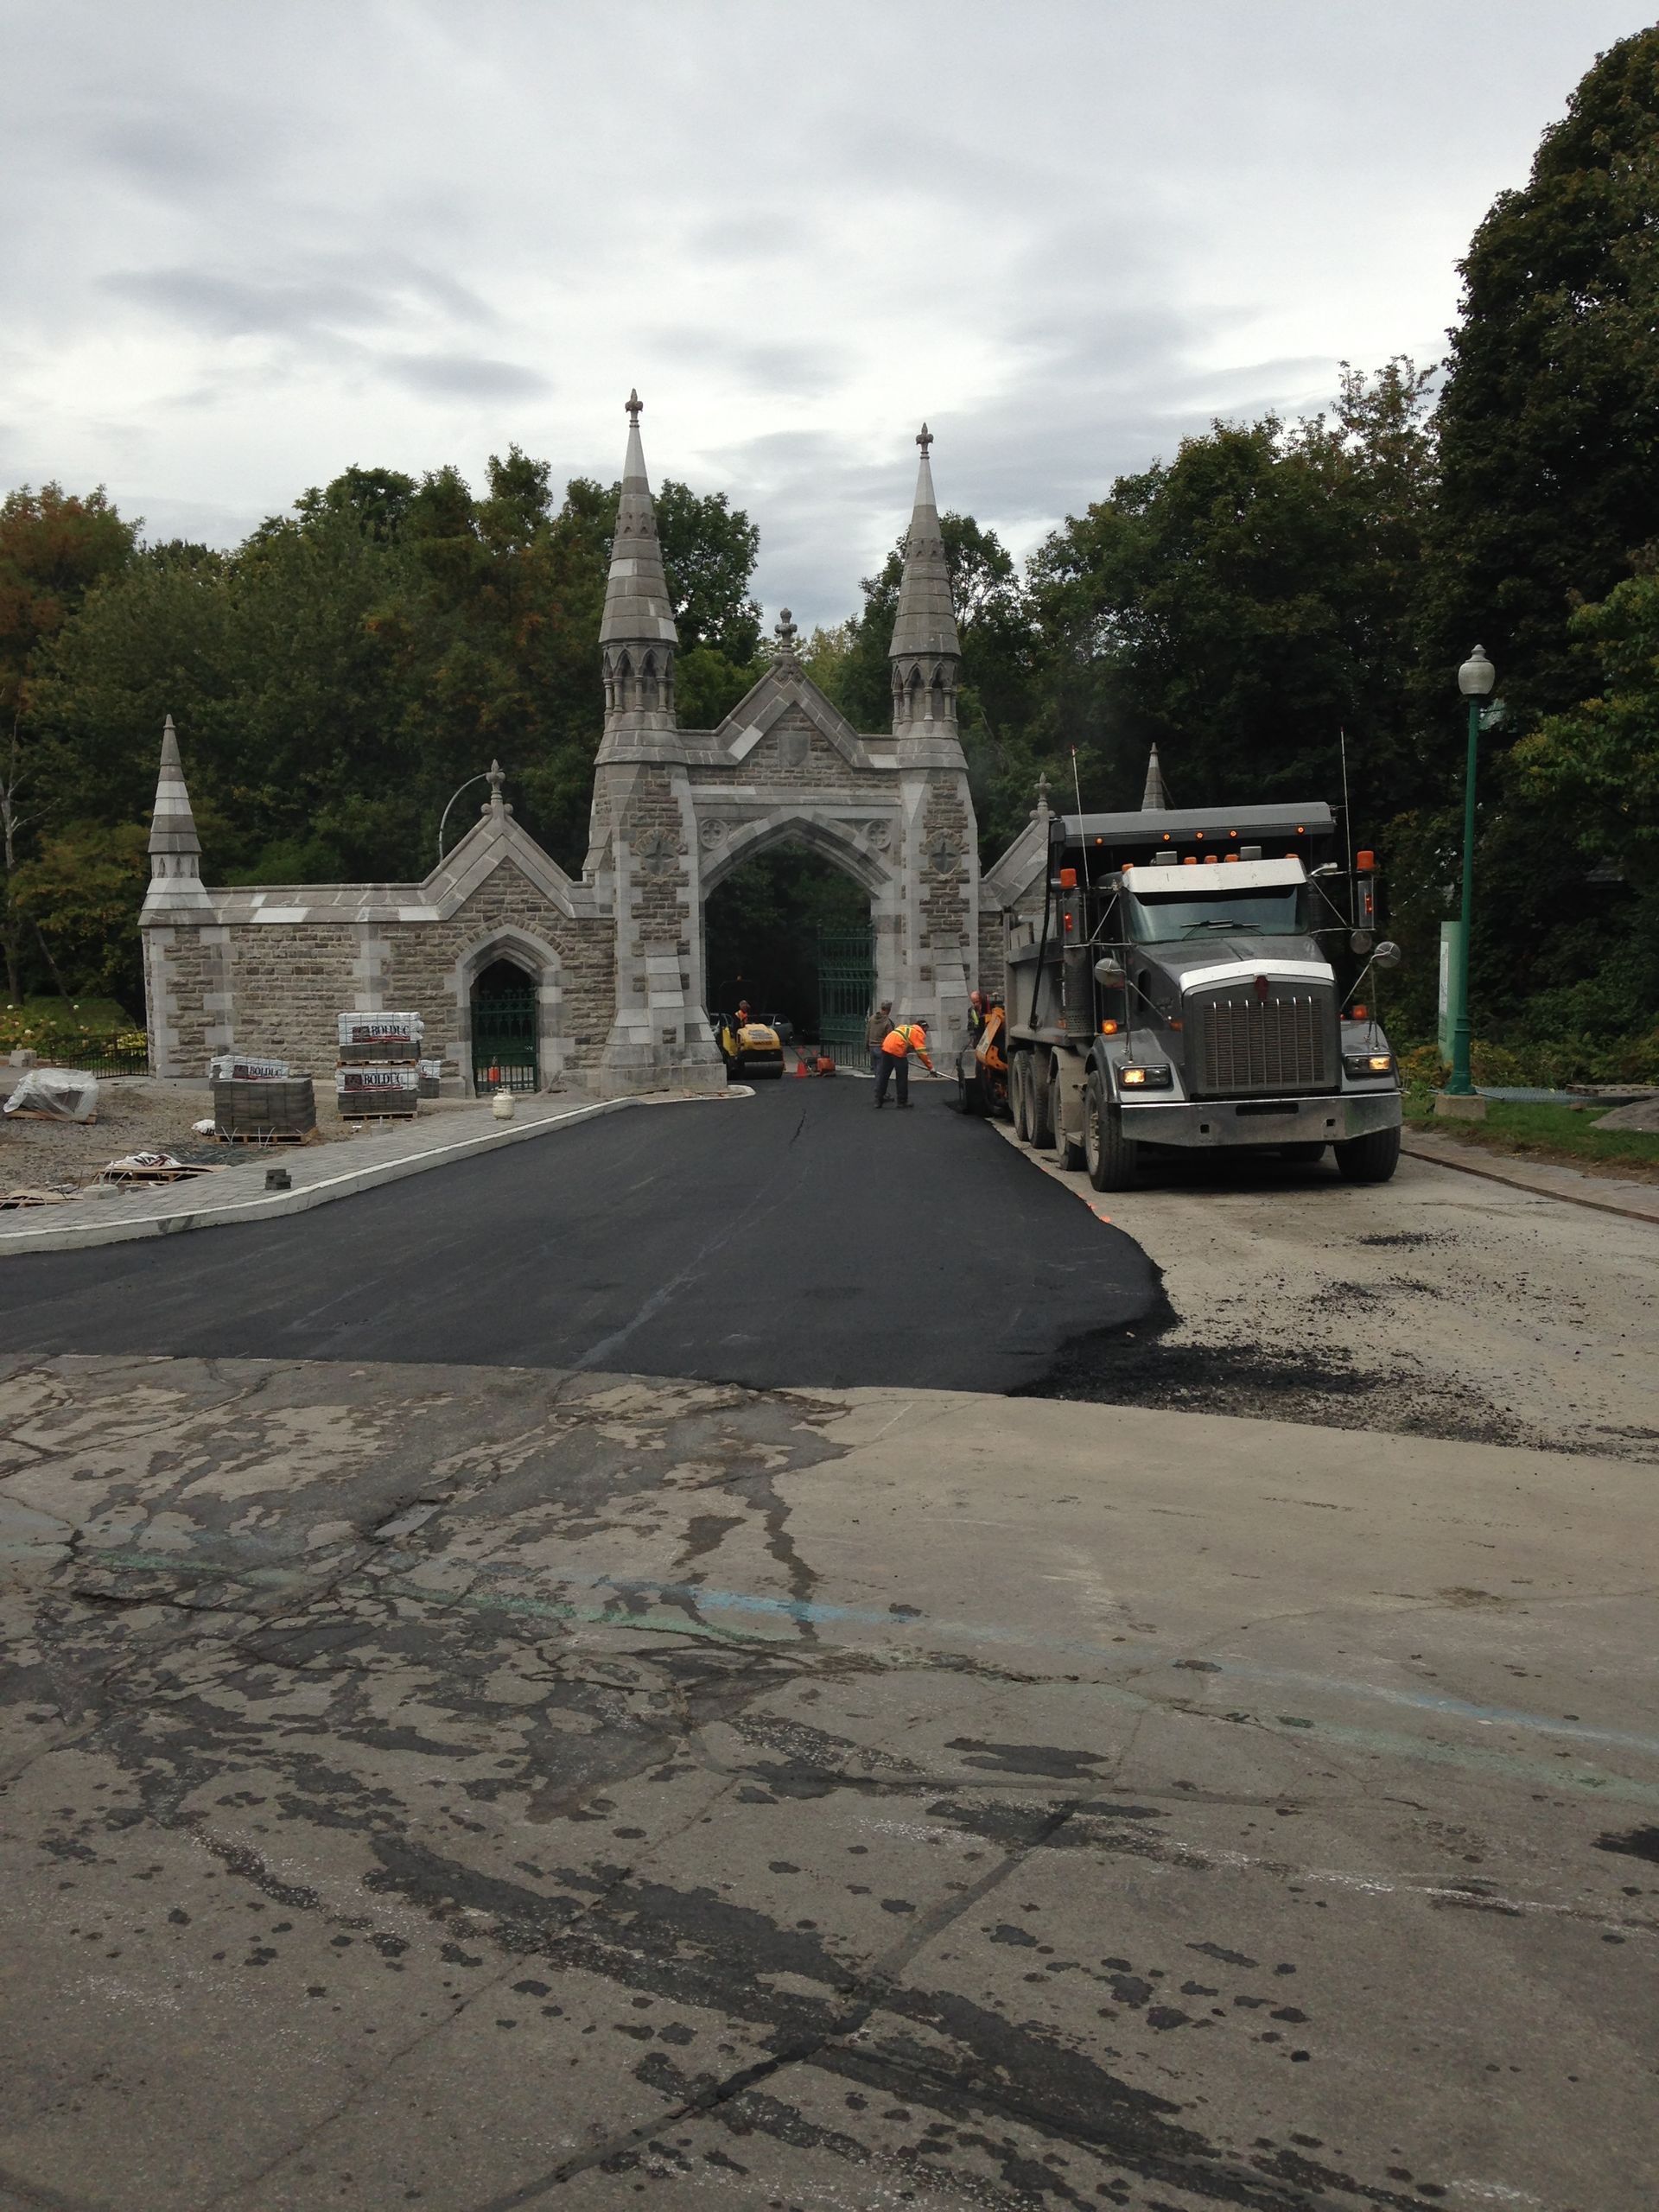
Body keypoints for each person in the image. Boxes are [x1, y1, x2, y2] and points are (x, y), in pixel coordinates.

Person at [874, 1019, 934, 1108]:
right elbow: (922, 1053)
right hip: (897, 1050)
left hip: (886, 1047)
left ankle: (878, 1100)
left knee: (884, 1075)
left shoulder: (906, 1027)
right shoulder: (918, 1033)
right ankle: (902, 1101)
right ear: (923, 1028)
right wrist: (931, 1067)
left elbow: (903, 1041)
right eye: (926, 1030)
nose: (926, 1033)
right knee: (902, 1076)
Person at [865, 1000, 893, 1074]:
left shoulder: (871, 1019)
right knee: (882, 1071)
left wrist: (866, 1046)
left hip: (872, 1046)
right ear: (889, 1010)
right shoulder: (887, 1022)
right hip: (881, 1047)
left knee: (876, 1070)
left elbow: (867, 1033)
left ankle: (877, 1085)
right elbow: (890, 1037)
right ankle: (879, 1086)